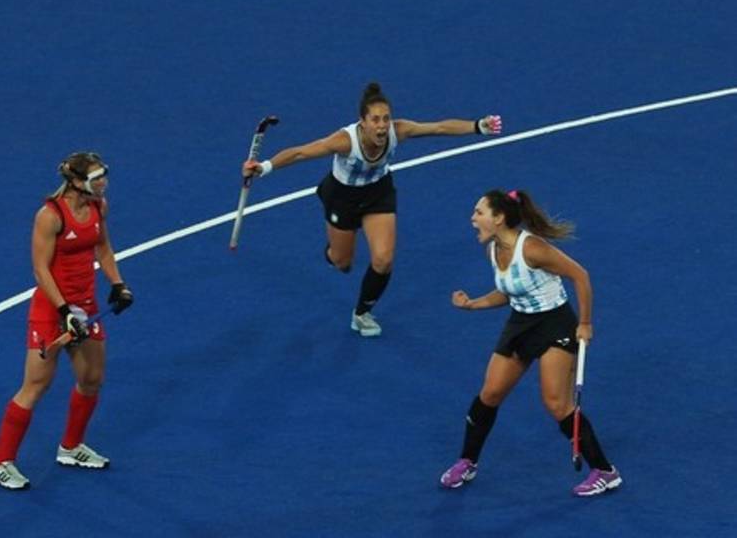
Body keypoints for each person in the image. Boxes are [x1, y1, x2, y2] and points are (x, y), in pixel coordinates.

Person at [242, 82, 501, 337]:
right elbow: (300, 153)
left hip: (378, 194)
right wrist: (264, 167)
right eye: (375, 119)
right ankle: (333, 253)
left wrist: (478, 126)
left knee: (384, 259)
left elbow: (439, 127)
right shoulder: (344, 141)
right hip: (342, 198)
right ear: (362, 122)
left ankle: (362, 313)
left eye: (386, 119)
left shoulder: (398, 131)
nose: (382, 125)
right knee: (343, 263)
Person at [438, 189, 622, 497]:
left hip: (555, 325)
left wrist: (585, 323)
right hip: (520, 324)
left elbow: (580, 276)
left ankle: (605, 471)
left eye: (479, 213)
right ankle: (467, 462)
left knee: (556, 403)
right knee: (490, 393)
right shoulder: (493, 250)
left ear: (499, 218)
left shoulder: (534, 248)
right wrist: (473, 304)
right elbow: (509, 291)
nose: (472, 219)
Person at [0, 152, 134, 490]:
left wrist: (118, 284)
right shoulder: (50, 216)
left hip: (86, 307)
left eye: (104, 175)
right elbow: (40, 270)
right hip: (52, 310)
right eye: (97, 178)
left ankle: (70, 447)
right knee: (36, 385)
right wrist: (65, 312)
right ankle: (1, 463)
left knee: (92, 379)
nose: (104, 182)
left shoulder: (98, 206)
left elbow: (103, 249)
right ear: (77, 182)